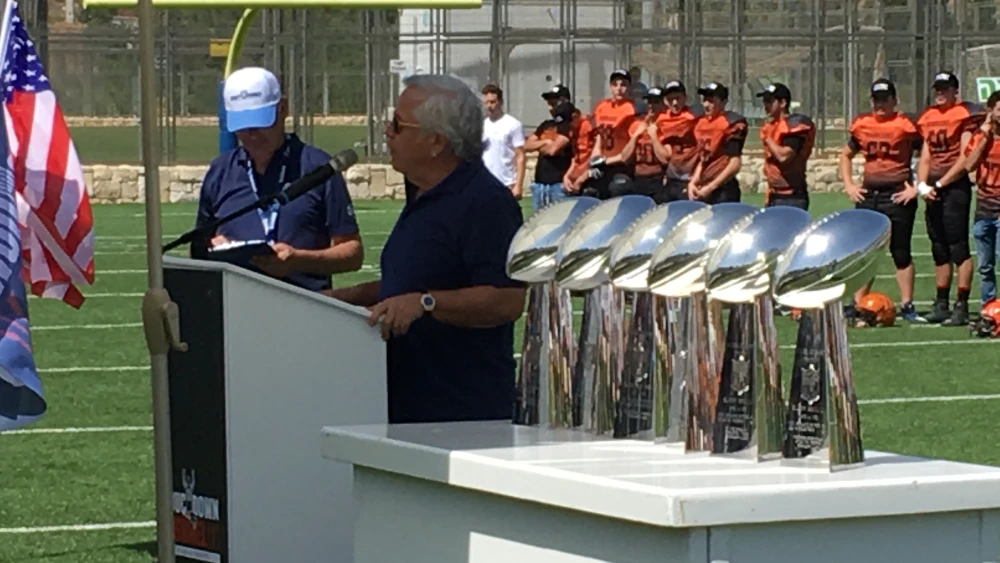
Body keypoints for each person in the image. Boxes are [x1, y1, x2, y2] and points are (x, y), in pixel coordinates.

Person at [326, 74, 527, 424]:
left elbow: (507, 299)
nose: (387, 133)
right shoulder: (421, 191)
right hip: (403, 403)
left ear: (436, 142)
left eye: (398, 125)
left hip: (460, 416)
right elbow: (414, 282)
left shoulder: (484, 203)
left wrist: (426, 304)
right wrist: (345, 297)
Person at [194, 66, 363, 292]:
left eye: (260, 122)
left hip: (304, 307)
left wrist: (298, 260)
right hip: (238, 308)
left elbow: (352, 253)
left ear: (283, 109)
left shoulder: (319, 169)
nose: (251, 133)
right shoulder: (220, 171)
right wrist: (215, 249)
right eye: (242, 126)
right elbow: (199, 246)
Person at [839, 78, 924, 322]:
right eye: (876, 99)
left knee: (901, 251)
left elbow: (927, 153)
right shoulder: (863, 124)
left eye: (885, 99)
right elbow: (846, 155)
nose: (880, 105)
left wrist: (916, 187)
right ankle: (859, 304)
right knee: (866, 253)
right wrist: (849, 185)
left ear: (894, 100)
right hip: (869, 195)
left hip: (897, 194)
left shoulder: (906, 124)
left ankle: (907, 305)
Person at [915, 71, 982, 325]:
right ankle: (940, 302)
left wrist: (942, 183)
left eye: (945, 89)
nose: (940, 93)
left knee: (957, 246)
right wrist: (922, 184)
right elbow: (926, 156)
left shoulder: (964, 114)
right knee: (938, 247)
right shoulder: (929, 117)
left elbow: (966, 157)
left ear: (956, 91)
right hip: (933, 187)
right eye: (937, 89)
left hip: (954, 187)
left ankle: (961, 305)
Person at [963, 90, 1000, 311]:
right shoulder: (981, 137)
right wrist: (985, 136)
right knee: (985, 266)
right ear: (990, 111)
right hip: (984, 208)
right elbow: (969, 166)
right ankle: (989, 307)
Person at [603, 87, 671, 203]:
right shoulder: (636, 125)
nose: (651, 106)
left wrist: (653, 136)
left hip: (657, 180)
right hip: (638, 178)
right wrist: (635, 136)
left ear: (663, 104)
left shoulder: (666, 125)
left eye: (656, 102)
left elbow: (665, 159)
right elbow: (625, 157)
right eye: (649, 102)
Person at [756, 82, 816, 210]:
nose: (765, 105)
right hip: (773, 195)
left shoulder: (794, 124)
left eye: (769, 101)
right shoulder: (772, 126)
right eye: (764, 101)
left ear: (782, 103)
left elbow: (784, 156)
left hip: (791, 197)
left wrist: (767, 138)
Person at [689, 82, 748, 203]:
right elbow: (704, 159)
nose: (706, 105)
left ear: (723, 102)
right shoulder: (702, 123)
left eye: (711, 101)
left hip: (723, 188)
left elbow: (734, 163)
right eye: (705, 100)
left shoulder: (731, 123)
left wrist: (711, 187)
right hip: (705, 184)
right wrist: (693, 182)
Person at [587, 69, 638, 198]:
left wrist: (606, 160)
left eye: (623, 84)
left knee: (618, 192)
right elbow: (599, 137)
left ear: (629, 87)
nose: (619, 89)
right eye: (615, 84)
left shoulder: (632, 109)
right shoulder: (602, 106)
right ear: (610, 87)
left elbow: (631, 148)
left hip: (621, 165)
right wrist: (594, 160)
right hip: (602, 164)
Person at [524, 100, 575, 211]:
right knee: (538, 222)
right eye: (550, 104)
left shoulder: (568, 127)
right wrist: (545, 142)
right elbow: (526, 145)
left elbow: (553, 150)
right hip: (540, 184)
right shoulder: (545, 125)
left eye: (554, 103)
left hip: (558, 184)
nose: (551, 107)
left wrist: (538, 146)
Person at [481, 83, 526, 200]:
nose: (489, 106)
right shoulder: (481, 125)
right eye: (486, 102)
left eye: (492, 102)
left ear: (500, 102)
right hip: (484, 183)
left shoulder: (512, 124)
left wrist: (518, 185)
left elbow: (520, 156)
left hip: (505, 182)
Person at [659, 80, 701, 202]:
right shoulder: (661, 119)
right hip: (672, 178)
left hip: (690, 177)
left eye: (678, 98)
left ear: (685, 98)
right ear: (665, 101)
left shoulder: (695, 116)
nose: (675, 103)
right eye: (671, 99)